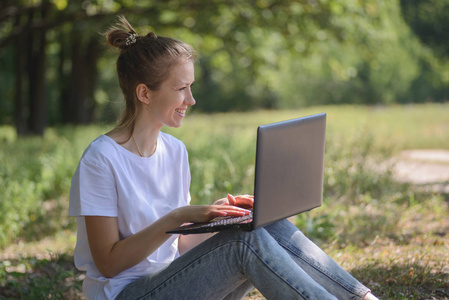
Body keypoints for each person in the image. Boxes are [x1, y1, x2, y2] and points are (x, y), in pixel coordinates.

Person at [69, 16, 379, 300]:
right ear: (144, 94)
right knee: (243, 244)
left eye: (190, 87)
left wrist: (222, 219)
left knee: (259, 225)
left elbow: (178, 246)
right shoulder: (101, 160)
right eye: (181, 88)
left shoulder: (174, 151)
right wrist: (178, 217)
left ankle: (362, 298)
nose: (191, 99)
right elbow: (108, 264)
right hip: (126, 294)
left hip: (173, 281)